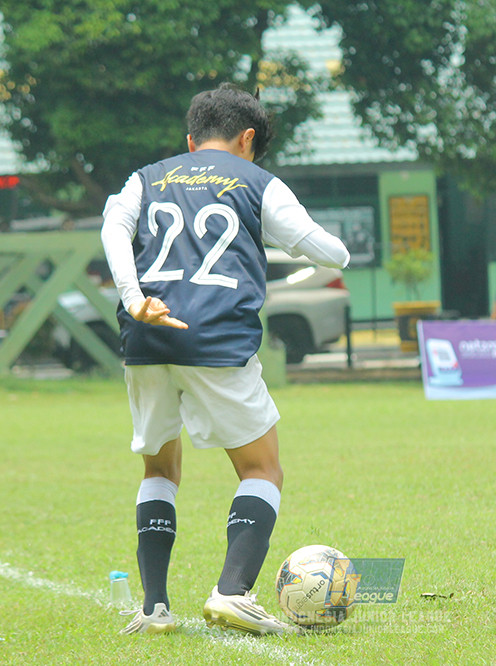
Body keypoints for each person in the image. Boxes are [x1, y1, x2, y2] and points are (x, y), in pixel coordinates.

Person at [101, 83, 350, 636]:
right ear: (248, 138)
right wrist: (325, 247)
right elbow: (327, 250)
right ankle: (233, 592)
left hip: (145, 337)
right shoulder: (258, 181)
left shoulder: (146, 177)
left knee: (160, 468)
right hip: (216, 339)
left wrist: (133, 297)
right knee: (262, 468)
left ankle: (155, 608)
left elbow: (113, 225)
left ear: (191, 139)